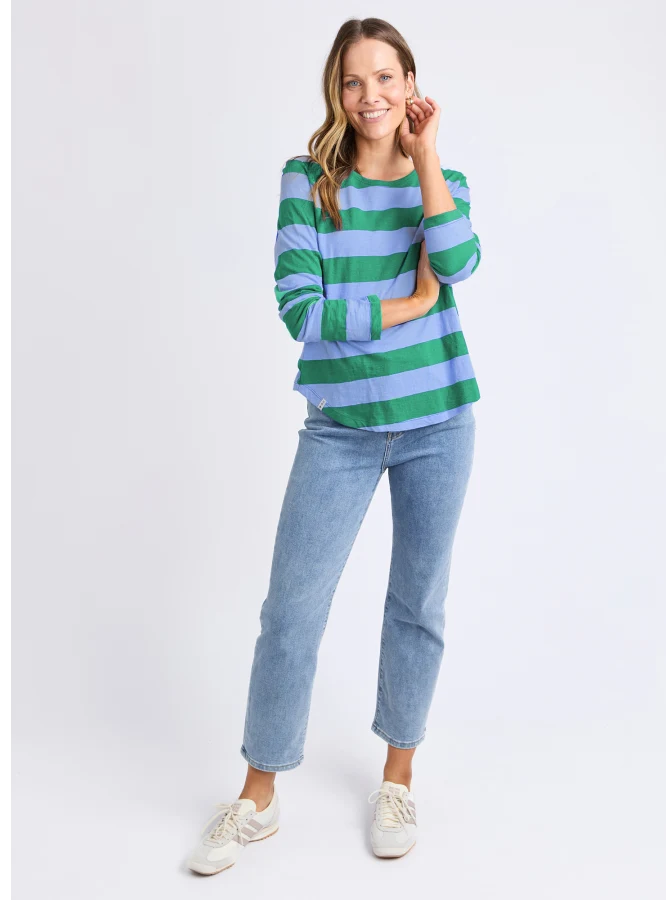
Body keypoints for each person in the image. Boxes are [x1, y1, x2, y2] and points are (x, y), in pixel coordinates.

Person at [187, 16, 482, 875]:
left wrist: (428, 159)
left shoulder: (443, 180)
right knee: (291, 612)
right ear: (336, 90)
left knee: (417, 605)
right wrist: (406, 307)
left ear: (410, 85)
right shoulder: (307, 181)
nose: (370, 95)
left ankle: (398, 778)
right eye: (354, 81)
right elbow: (300, 311)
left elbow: (459, 263)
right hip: (339, 431)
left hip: (439, 422)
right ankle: (258, 795)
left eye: (386, 77)